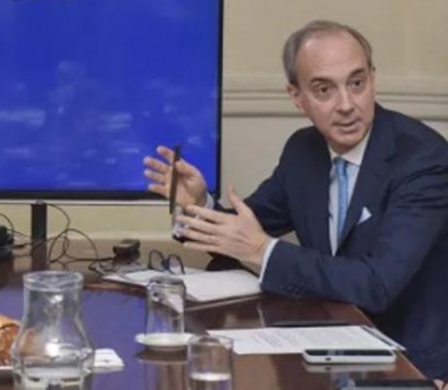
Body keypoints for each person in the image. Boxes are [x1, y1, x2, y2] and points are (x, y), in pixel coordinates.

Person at [144, 20, 448, 379]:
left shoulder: (423, 159)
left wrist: (261, 250)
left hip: (410, 366)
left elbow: (377, 285)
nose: (347, 105)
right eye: (324, 89)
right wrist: (198, 205)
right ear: (297, 97)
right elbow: (243, 236)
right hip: (327, 351)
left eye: (357, 83)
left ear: (373, 79)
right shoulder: (303, 151)